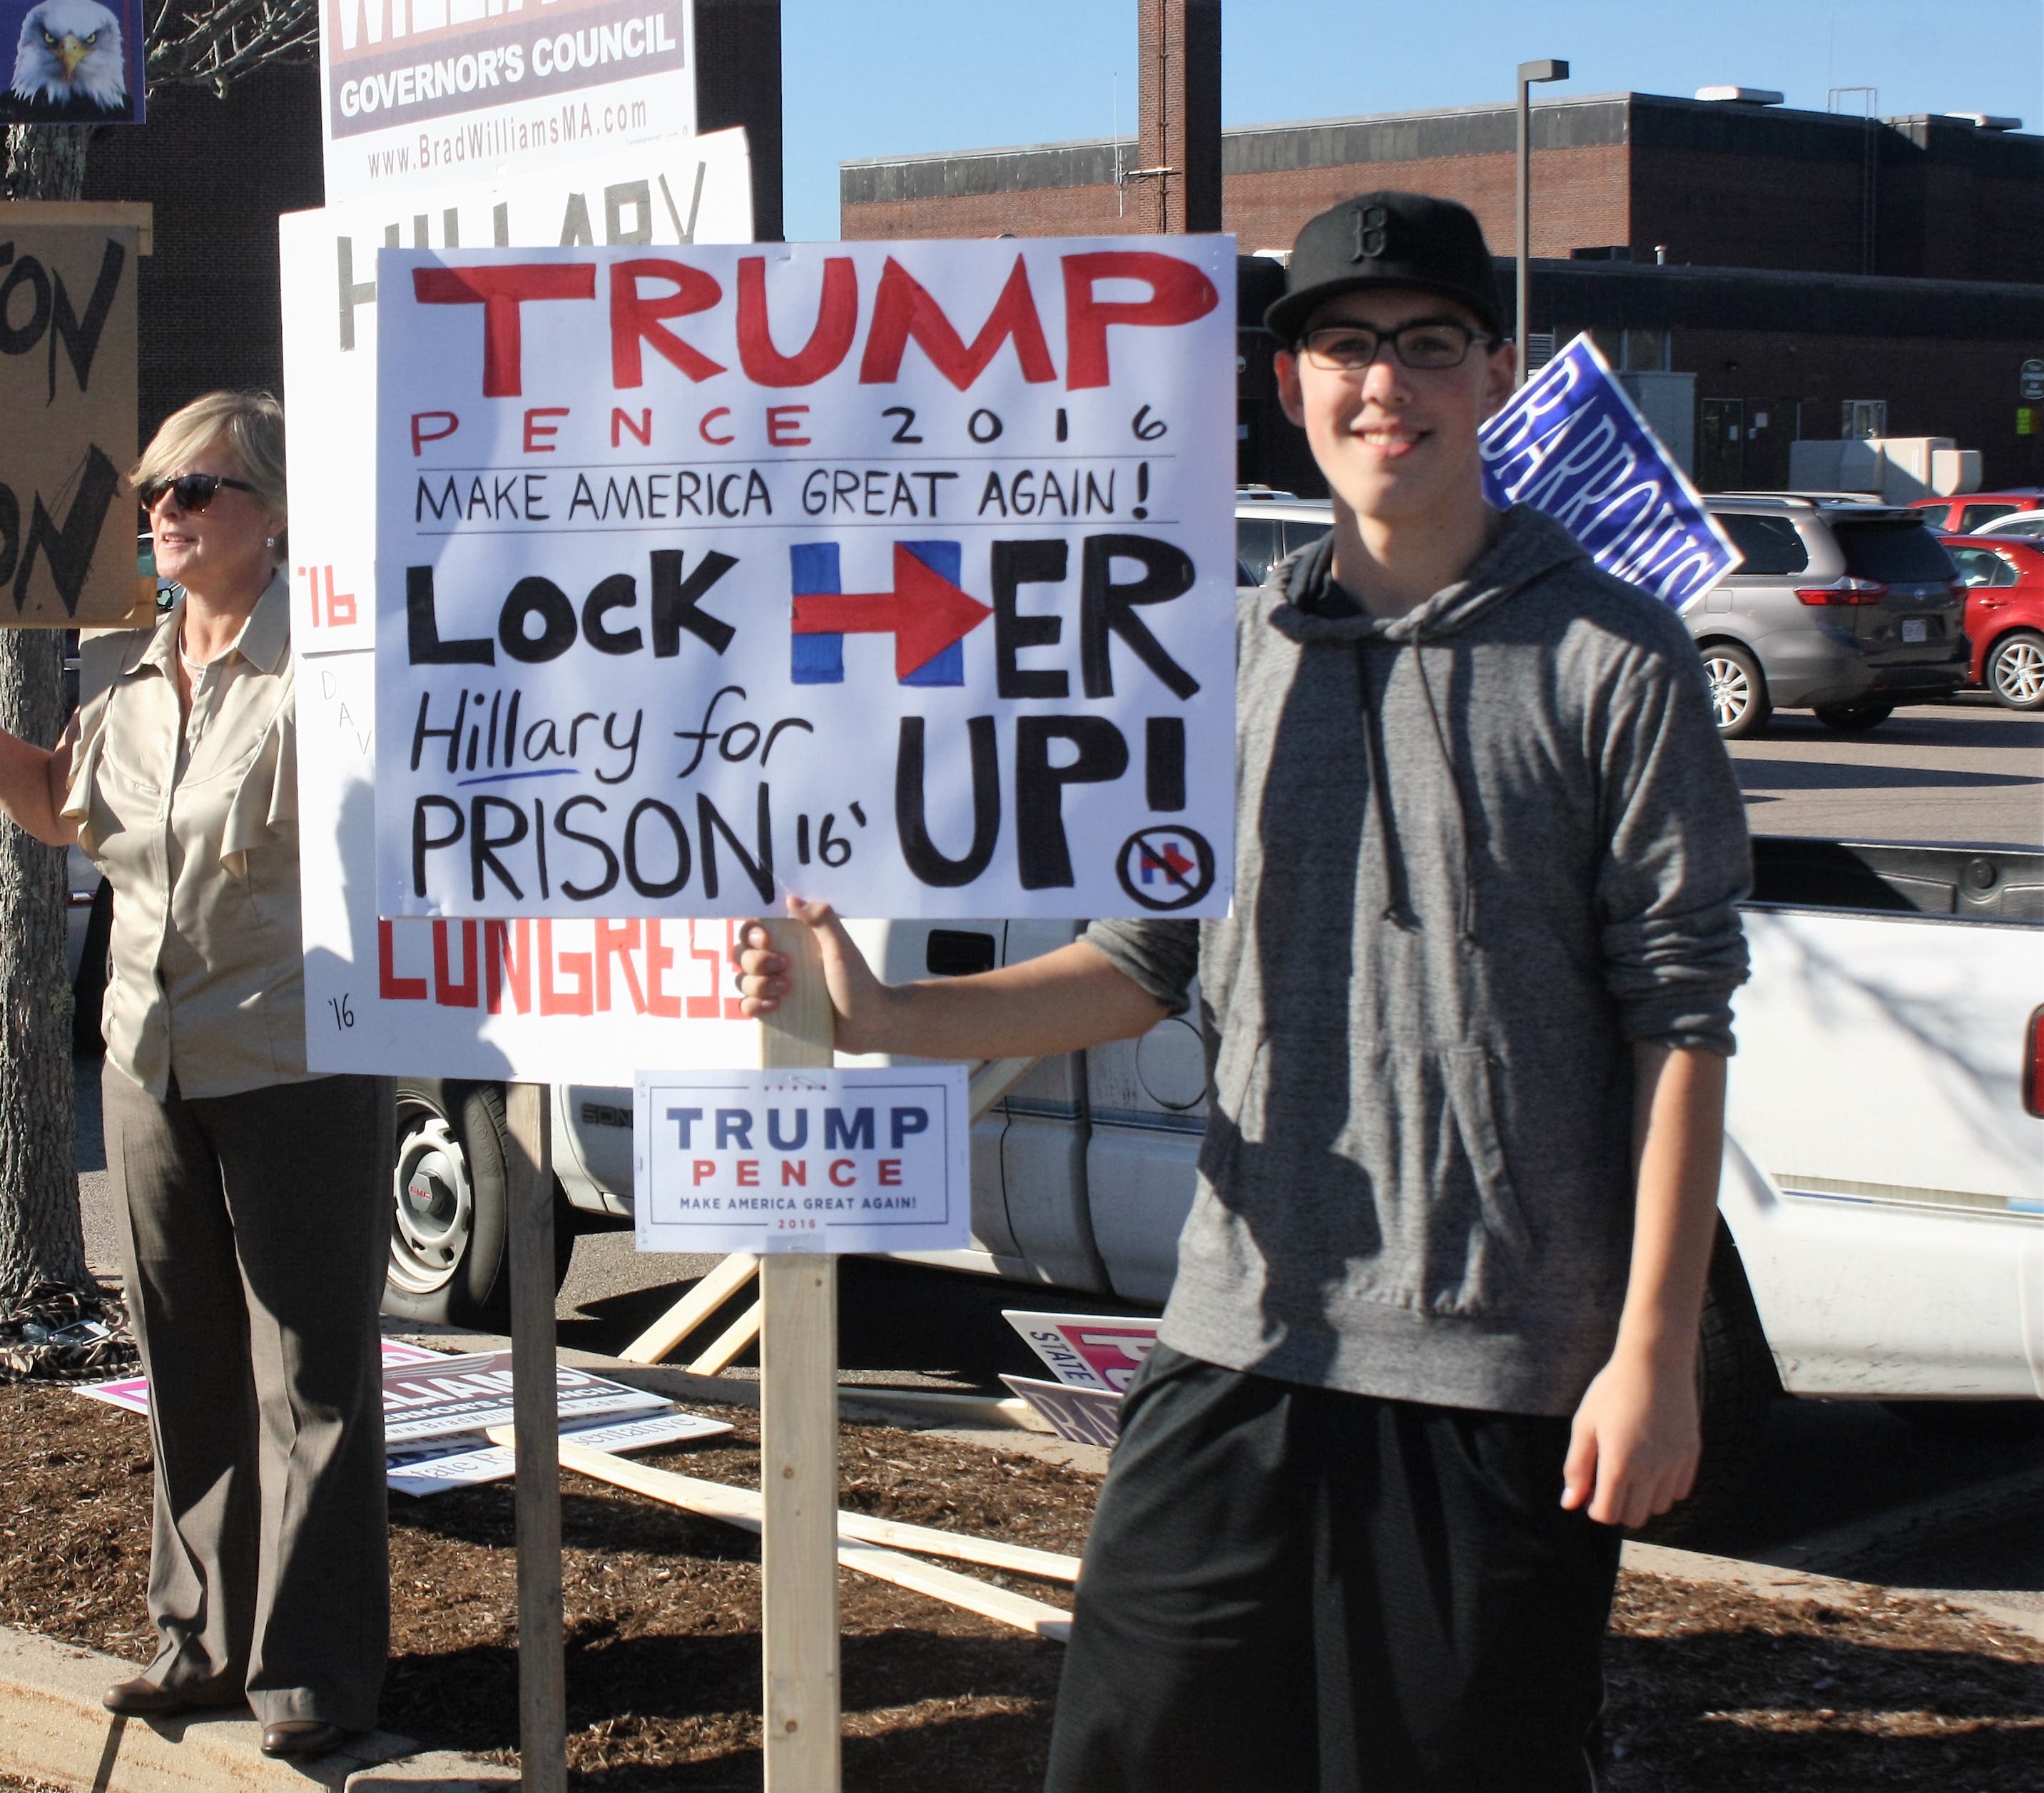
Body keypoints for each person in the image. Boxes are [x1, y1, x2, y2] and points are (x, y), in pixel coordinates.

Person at [735, 192, 1751, 1792]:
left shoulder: (1612, 659)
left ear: (1493, 370)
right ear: (1288, 385)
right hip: (1237, 1337)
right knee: (1132, 1749)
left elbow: (1677, 1028)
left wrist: (1655, 1356)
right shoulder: (1223, 658)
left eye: (1427, 345)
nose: (1384, 385)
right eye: (1344, 347)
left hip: (1496, 1373)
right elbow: (1141, 964)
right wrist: (879, 1019)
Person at [0, 392, 387, 1762]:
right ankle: (199, 1640)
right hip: (146, 1057)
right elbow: (62, 810)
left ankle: (315, 1672)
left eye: (198, 490)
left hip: (295, 1058)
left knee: (312, 1370)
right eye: (154, 490)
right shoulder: (125, 665)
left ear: (273, 513)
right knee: (185, 1358)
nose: (164, 511)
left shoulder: (330, 664)